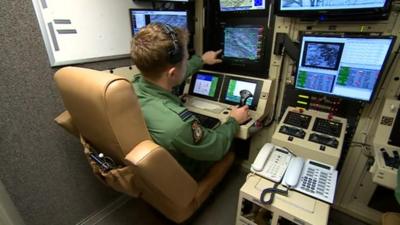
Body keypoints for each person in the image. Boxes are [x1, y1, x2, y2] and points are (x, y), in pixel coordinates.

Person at [130, 23, 249, 180]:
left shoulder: (134, 85)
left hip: (155, 166)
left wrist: (202, 60)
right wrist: (234, 120)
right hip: (185, 171)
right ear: (172, 73)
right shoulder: (178, 124)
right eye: (186, 60)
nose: (187, 63)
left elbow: (174, 74)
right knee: (229, 148)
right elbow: (215, 147)